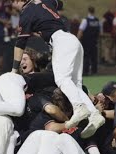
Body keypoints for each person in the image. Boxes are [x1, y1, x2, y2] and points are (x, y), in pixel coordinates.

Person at [11, 0, 105, 138]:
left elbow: (20, 43)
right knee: (75, 85)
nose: (13, 6)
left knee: (62, 79)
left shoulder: (26, 11)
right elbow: (58, 3)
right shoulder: (45, 1)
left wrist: (14, 70)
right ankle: (94, 115)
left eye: (13, 3)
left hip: (60, 41)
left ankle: (79, 107)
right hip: (72, 39)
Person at [77, 6, 100, 76]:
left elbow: (80, 31)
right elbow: (99, 31)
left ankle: (86, 71)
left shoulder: (85, 20)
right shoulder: (97, 20)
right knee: (94, 57)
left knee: (86, 56)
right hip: (94, 41)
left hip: (86, 41)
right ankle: (94, 71)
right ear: (94, 11)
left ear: (88, 11)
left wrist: (77, 39)